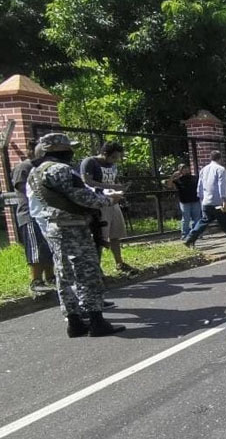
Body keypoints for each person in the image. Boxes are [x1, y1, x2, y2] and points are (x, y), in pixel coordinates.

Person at [27, 133, 125, 337]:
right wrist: (110, 200)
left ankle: (74, 322)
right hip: (74, 228)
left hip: (54, 227)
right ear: (56, 150)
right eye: (68, 148)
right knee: (88, 273)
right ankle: (97, 321)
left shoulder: (35, 172)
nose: (71, 152)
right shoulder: (60, 170)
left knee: (63, 275)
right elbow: (83, 197)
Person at [80, 142, 136, 273]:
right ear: (105, 154)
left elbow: (113, 182)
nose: (116, 160)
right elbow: (87, 181)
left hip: (113, 200)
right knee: (100, 236)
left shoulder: (113, 165)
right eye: (114, 157)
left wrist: (119, 188)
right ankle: (96, 268)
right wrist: (111, 187)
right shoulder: (90, 162)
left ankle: (119, 263)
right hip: (98, 202)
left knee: (116, 234)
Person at [11, 141, 54, 294]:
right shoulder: (24, 167)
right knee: (36, 249)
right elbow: (23, 189)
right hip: (29, 214)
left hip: (45, 213)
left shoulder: (43, 167)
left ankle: (51, 277)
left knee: (48, 247)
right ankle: (36, 280)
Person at [183, 150, 226, 251]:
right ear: (220, 158)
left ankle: (189, 239)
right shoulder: (221, 169)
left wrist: (202, 199)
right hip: (218, 202)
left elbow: (200, 186)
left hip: (206, 202)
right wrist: (224, 200)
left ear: (210, 158)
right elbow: (222, 186)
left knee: (203, 221)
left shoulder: (204, 169)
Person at [166, 164, 201, 241]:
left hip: (195, 200)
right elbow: (169, 185)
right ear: (180, 171)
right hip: (184, 201)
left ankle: (195, 234)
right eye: (183, 169)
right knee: (186, 219)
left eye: (186, 168)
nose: (185, 170)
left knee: (197, 218)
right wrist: (173, 176)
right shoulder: (178, 180)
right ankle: (185, 234)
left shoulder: (194, 178)